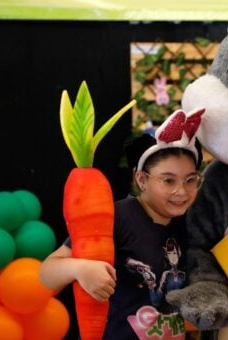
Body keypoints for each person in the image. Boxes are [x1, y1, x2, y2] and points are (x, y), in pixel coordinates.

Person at [40, 108, 205, 340]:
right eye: (168, 180)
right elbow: (46, 273)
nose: (181, 191)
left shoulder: (190, 222)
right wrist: (79, 268)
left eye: (190, 180)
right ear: (141, 179)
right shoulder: (118, 217)